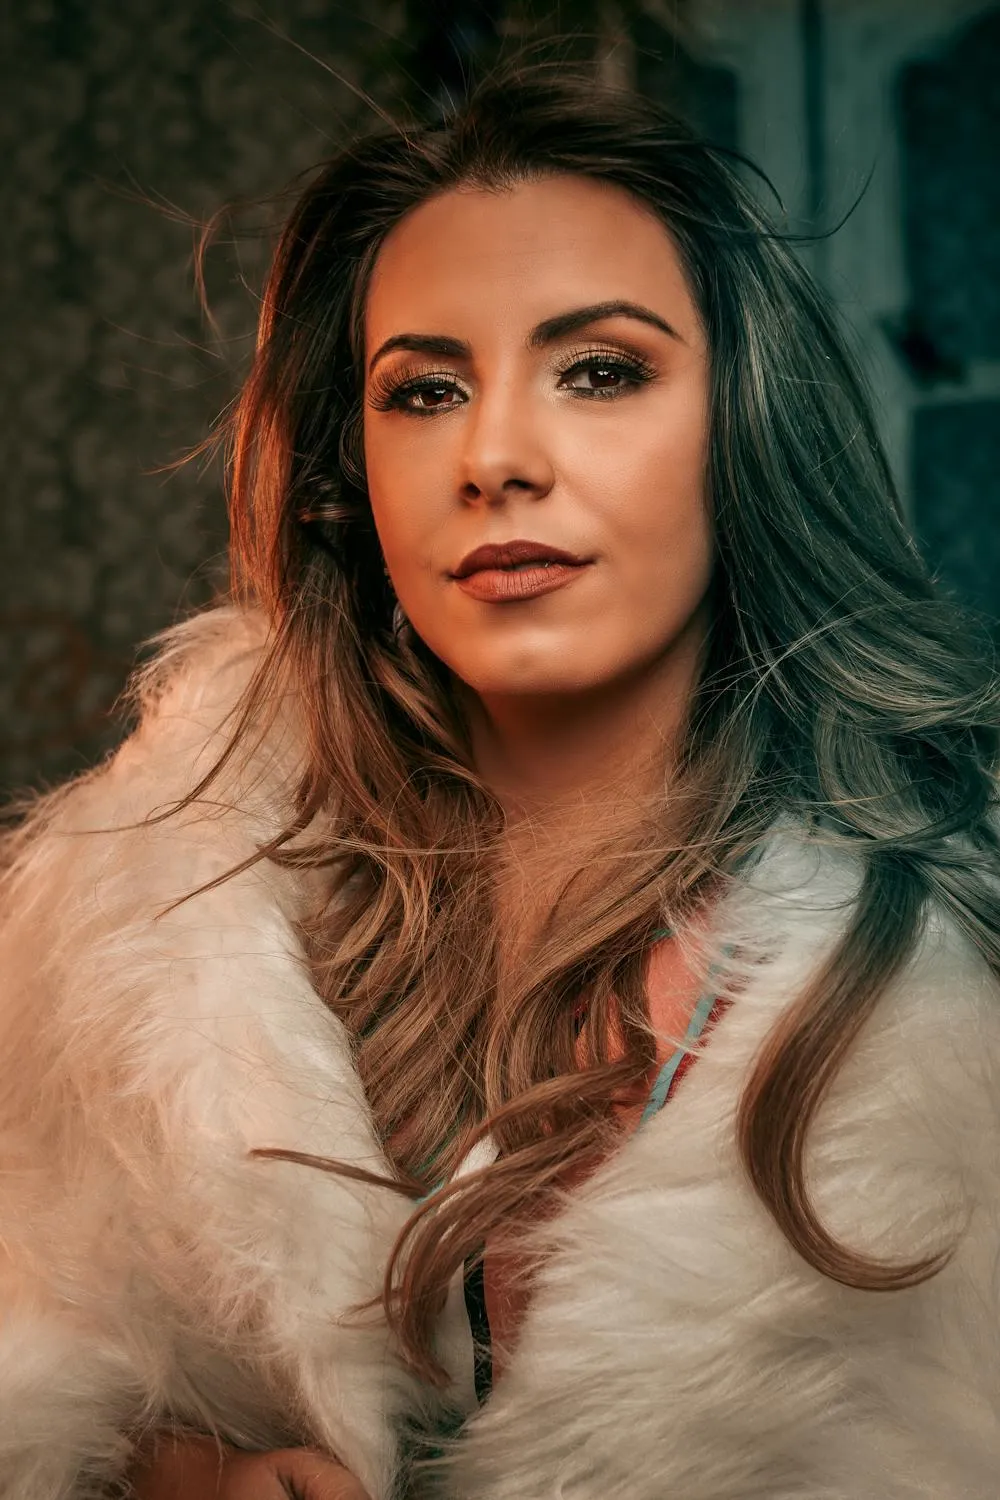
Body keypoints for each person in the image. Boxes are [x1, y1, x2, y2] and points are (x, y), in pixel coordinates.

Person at [1, 58, 999, 1500]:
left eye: (600, 371)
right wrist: (169, 1472)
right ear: (351, 476)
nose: (495, 457)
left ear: (745, 427)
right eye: (424, 391)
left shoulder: (948, 998)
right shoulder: (128, 924)